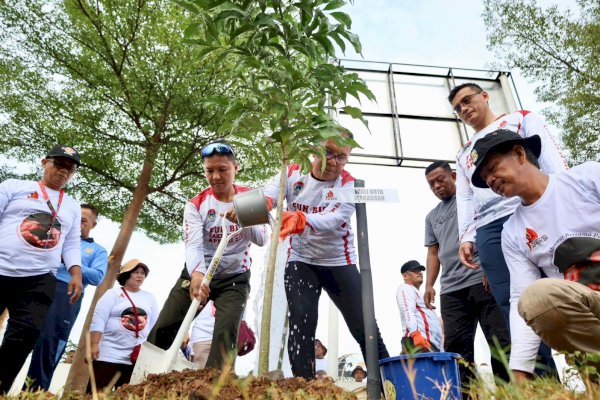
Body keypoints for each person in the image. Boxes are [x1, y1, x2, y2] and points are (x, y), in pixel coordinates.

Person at [245, 134, 390, 380]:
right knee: (302, 321)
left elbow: (335, 218)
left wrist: (301, 219)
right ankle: (304, 386)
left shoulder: (348, 184)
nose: (333, 161)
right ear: (314, 149)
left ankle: (390, 384)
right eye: (329, 152)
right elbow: (268, 195)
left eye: (341, 157)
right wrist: (242, 210)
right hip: (300, 261)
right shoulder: (292, 172)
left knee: (365, 326)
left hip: (338, 263)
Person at [449, 83, 565, 375]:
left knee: (568, 285)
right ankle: (543, 382)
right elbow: (465, 197)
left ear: (485, 96)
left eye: (467, 100)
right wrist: (467, 235)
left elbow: (551, 158)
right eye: (457, 108)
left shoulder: (522, 119)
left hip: (534, 211)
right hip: (490, 229)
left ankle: (590, 369)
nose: (463, 109)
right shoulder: (464, 153)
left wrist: (561, 199)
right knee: (513, 304)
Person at [470, 129, 600, 381]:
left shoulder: (587, 177)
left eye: (494, 168)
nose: (491, 180)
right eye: (485, 178)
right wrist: (520, 372)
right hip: (589, 312)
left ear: (519, 153)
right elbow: (523, 298)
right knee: (536, 297)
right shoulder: (513, 232)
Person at [0, 144, 83, 393]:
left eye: (70, 168)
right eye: (59, 164)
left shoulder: (72, 206)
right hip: (2, 267)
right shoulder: (14, 186)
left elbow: (71, 241)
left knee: (23, 336)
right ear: (44, 162)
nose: (64, 171)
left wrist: (76, 272)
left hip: (40, 277)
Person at [423, 161, 510, 387]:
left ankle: (507, 392)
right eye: (431, 184)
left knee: (500, 342)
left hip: (482, 280)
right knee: (456, 349)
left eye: (440, 179)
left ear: (453, 176)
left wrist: (492, 268)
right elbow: (434, 252)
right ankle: (466, 394)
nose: (436, 186)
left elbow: (494, 231)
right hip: (451, 289)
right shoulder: (432, 217)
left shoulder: (473, 199)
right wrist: (429, 285)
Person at [185, 141, 267, 370]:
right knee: (168, 322)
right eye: (209, 171)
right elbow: (193, 245)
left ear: (235, 168)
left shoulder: (249, 197)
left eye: (222, 169)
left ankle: (213, 383)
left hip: (234, 275)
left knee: (225, 332)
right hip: (201, 271)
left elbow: (262, 238)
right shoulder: (196, 203)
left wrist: (244, 217)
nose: (216, 177)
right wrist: (197, 275)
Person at [26, 204, 108, 391]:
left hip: (66, 294)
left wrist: (71, 261)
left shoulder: (97, 250)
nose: (78, 224)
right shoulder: (53, 237)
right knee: (23, 335)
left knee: (50, 343)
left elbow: (97, 276)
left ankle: (34, 392)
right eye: (76, 219)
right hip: (38, 285)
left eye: (84, 221)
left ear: (93, 225)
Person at [89, 259, 158, 392]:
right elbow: (99, 319)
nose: (140, 276)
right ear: (126, 275)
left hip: (135, 358)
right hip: (108, 354)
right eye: (136, 272)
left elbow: (154, 325)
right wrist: (94, 344)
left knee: (128, 394)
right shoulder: (112, 294)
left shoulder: (150, 298)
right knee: (97, 393)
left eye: (143, 273)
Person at [396, 260, 443, 353]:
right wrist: (415, 334)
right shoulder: (405, 288)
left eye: (420, 270)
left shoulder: (420, 294)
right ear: (405, 276)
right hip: (416, 340)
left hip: (429, 343)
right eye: (415, 270)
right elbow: (408, 311)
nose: (420, 273)